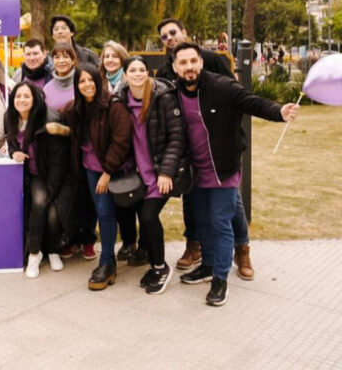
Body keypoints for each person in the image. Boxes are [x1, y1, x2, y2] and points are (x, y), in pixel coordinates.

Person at [172, 42, 299, 306]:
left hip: (223, 170)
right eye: (183, 63)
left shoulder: (222, 86)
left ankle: (220, 279)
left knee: (220, 222)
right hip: (195, 173)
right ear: (175, 67)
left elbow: (251, 102)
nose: (189, 67)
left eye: (193, 61)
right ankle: (208, 266)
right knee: (203, 222)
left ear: (201, 62)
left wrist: (279, 111)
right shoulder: (173, 93)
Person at [154, 18, 253, 279]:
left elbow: (235, 96)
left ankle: (241, 249)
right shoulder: (166, 72)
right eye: (164, 37)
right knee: (193, 200)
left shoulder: (213, 60)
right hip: (190, 150)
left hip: (221, 147)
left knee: (232, 204)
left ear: (184, 31)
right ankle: (195, 246)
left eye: (173, 33)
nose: (170, 38)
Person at [115, 56, 188, 294]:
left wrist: (166, 172)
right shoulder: (122, 100)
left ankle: (160, 267)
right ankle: (154, 263)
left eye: (142, 70)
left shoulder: (162, 98)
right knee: (142, 219)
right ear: (125, 75)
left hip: (158, 174)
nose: (137, 73)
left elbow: (177, 138)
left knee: (148, 217)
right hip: (136, 176)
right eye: (132, 70)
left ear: (148, 73)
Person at [65, 64, 133, 291]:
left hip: (108, 170)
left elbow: (121, 140)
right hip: (89, 169)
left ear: (98, 80)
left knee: (105, 213)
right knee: (101, 212)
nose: (86, 85)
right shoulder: (78, 108)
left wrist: (107, 172)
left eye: (90, 80)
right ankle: (109, 256)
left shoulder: (113, 106)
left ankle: (107, 262)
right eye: (81, 82)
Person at [5, 82, 74, 278]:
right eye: (18, 96)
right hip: (33, 175)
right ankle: (35, 253)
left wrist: (51, 192)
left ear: (35, 99)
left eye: (26, 96)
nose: (21, 100)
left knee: (52, 212)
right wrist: (14, 153)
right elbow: (11, 143)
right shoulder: (9, 117)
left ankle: (51, 250)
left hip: (56, 175)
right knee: (39, 203)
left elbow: (59, 161)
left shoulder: (48, 120)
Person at [97, 41, 144, 264]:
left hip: (130, 147)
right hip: (106, 148)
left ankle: (132, 242)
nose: (110, 60)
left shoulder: (129, 81)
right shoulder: (100, 82)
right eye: (107, 57)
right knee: (114, 199)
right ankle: (127, 241)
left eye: (115, 56)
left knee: (129, 199)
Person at [42, 42, 78, 112]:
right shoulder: (47, 89)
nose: (61, 61)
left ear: (73, 60)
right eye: (57, 57)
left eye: (65, 56)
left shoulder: (81, 84)